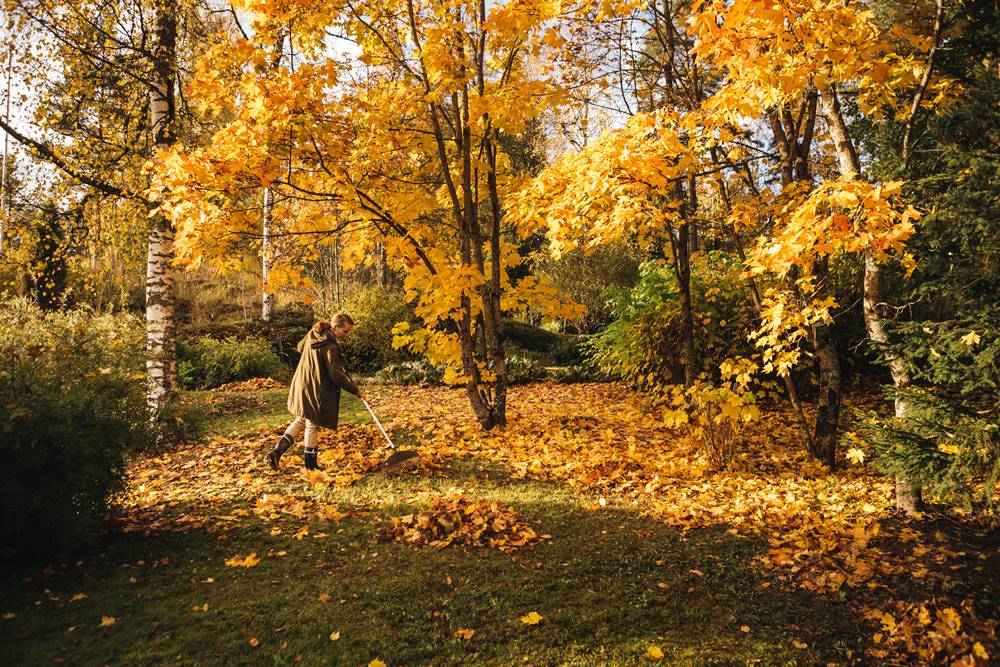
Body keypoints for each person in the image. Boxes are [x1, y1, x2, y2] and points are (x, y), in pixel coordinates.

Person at [266, 313, 364, 471]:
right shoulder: (330, 347)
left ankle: (275, 453)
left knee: (302, 419)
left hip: (302, 382)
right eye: (345, 331)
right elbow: (336, 375)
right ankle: (311, 466)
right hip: (315, 387)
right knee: (312, 423)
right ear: (335, 326)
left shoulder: (314, 333)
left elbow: (299, 347)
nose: (346, 335)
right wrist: (356, 390)